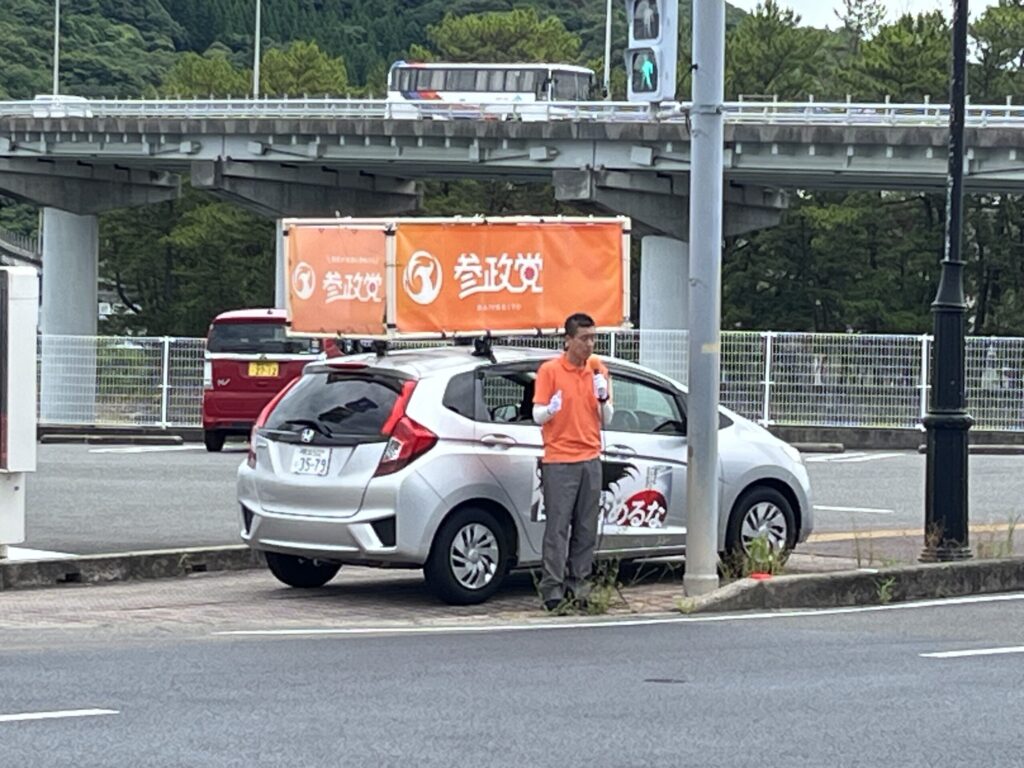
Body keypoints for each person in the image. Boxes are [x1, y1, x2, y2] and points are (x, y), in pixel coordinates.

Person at [532, 313, 614, 611]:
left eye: (593, 338)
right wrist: (552, 409)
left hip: (591, 456)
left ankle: (580, 585)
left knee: (586, 527)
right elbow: (537, 414)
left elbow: (608, 418)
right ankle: (552, 588)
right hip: (559, 458)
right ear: (568, 340)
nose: (589, 345)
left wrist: (602, 397)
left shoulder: (597, 369)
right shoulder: (550, 371)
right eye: (583, 339)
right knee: (557, 527)